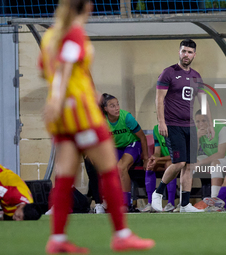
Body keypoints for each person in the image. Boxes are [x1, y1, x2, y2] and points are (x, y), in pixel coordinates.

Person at [39, 0, 154, 253]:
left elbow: (49, 70)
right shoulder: (75, 33)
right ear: (87, 7)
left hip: (62, 118)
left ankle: (57, 240)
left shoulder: (50, 36)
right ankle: (121, 235)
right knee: (110, 170)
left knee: (65, 175)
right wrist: (61, 97)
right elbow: (65, 68)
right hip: (81, 114)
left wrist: (59, 99)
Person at [152, 39, 214, 213]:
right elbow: (159, 99)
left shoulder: (196, 76)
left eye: (189, 52)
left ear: (194, 54)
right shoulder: (168, 73)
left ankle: (185, 204)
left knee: (189, 165)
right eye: (183, 51)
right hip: (172, 124)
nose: (186, 55)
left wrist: (209, 124)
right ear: (179, 52)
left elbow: (204, 101)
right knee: (179, 163)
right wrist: (161, 121)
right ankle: (157, 194)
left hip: (190, 126)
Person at [101, 93, 149, 211]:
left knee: (121, 167)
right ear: (105, 109)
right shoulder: (102, 121)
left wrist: (146, 159)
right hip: (115, 148)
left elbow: (142, 137)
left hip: (131, 145)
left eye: (117, 104)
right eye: (112, 106)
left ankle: (126, 204)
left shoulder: (126, 117)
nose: (117, 108)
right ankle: (105, 202)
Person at [194, 110, 226, 198]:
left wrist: (201, 163)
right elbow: (193, 153)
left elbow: (221, 154)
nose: (201, 124)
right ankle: (183, 202)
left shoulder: (221, 128)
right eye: (198, 121)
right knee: (191, 162)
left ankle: (215, 198)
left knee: (215, 164)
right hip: (212, 156)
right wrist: (196, 138)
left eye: (204, 120)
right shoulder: (197, 130)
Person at [143, 124, 177, 212]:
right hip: (165, 159)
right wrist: (154, 158)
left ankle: (170, 204)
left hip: (178, 161)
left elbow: (177, 154)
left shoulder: (176, 128)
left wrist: (159, 159)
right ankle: (150, 203)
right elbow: (157, 151)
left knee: (169, 164)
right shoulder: (156, 129)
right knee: (150, 166)